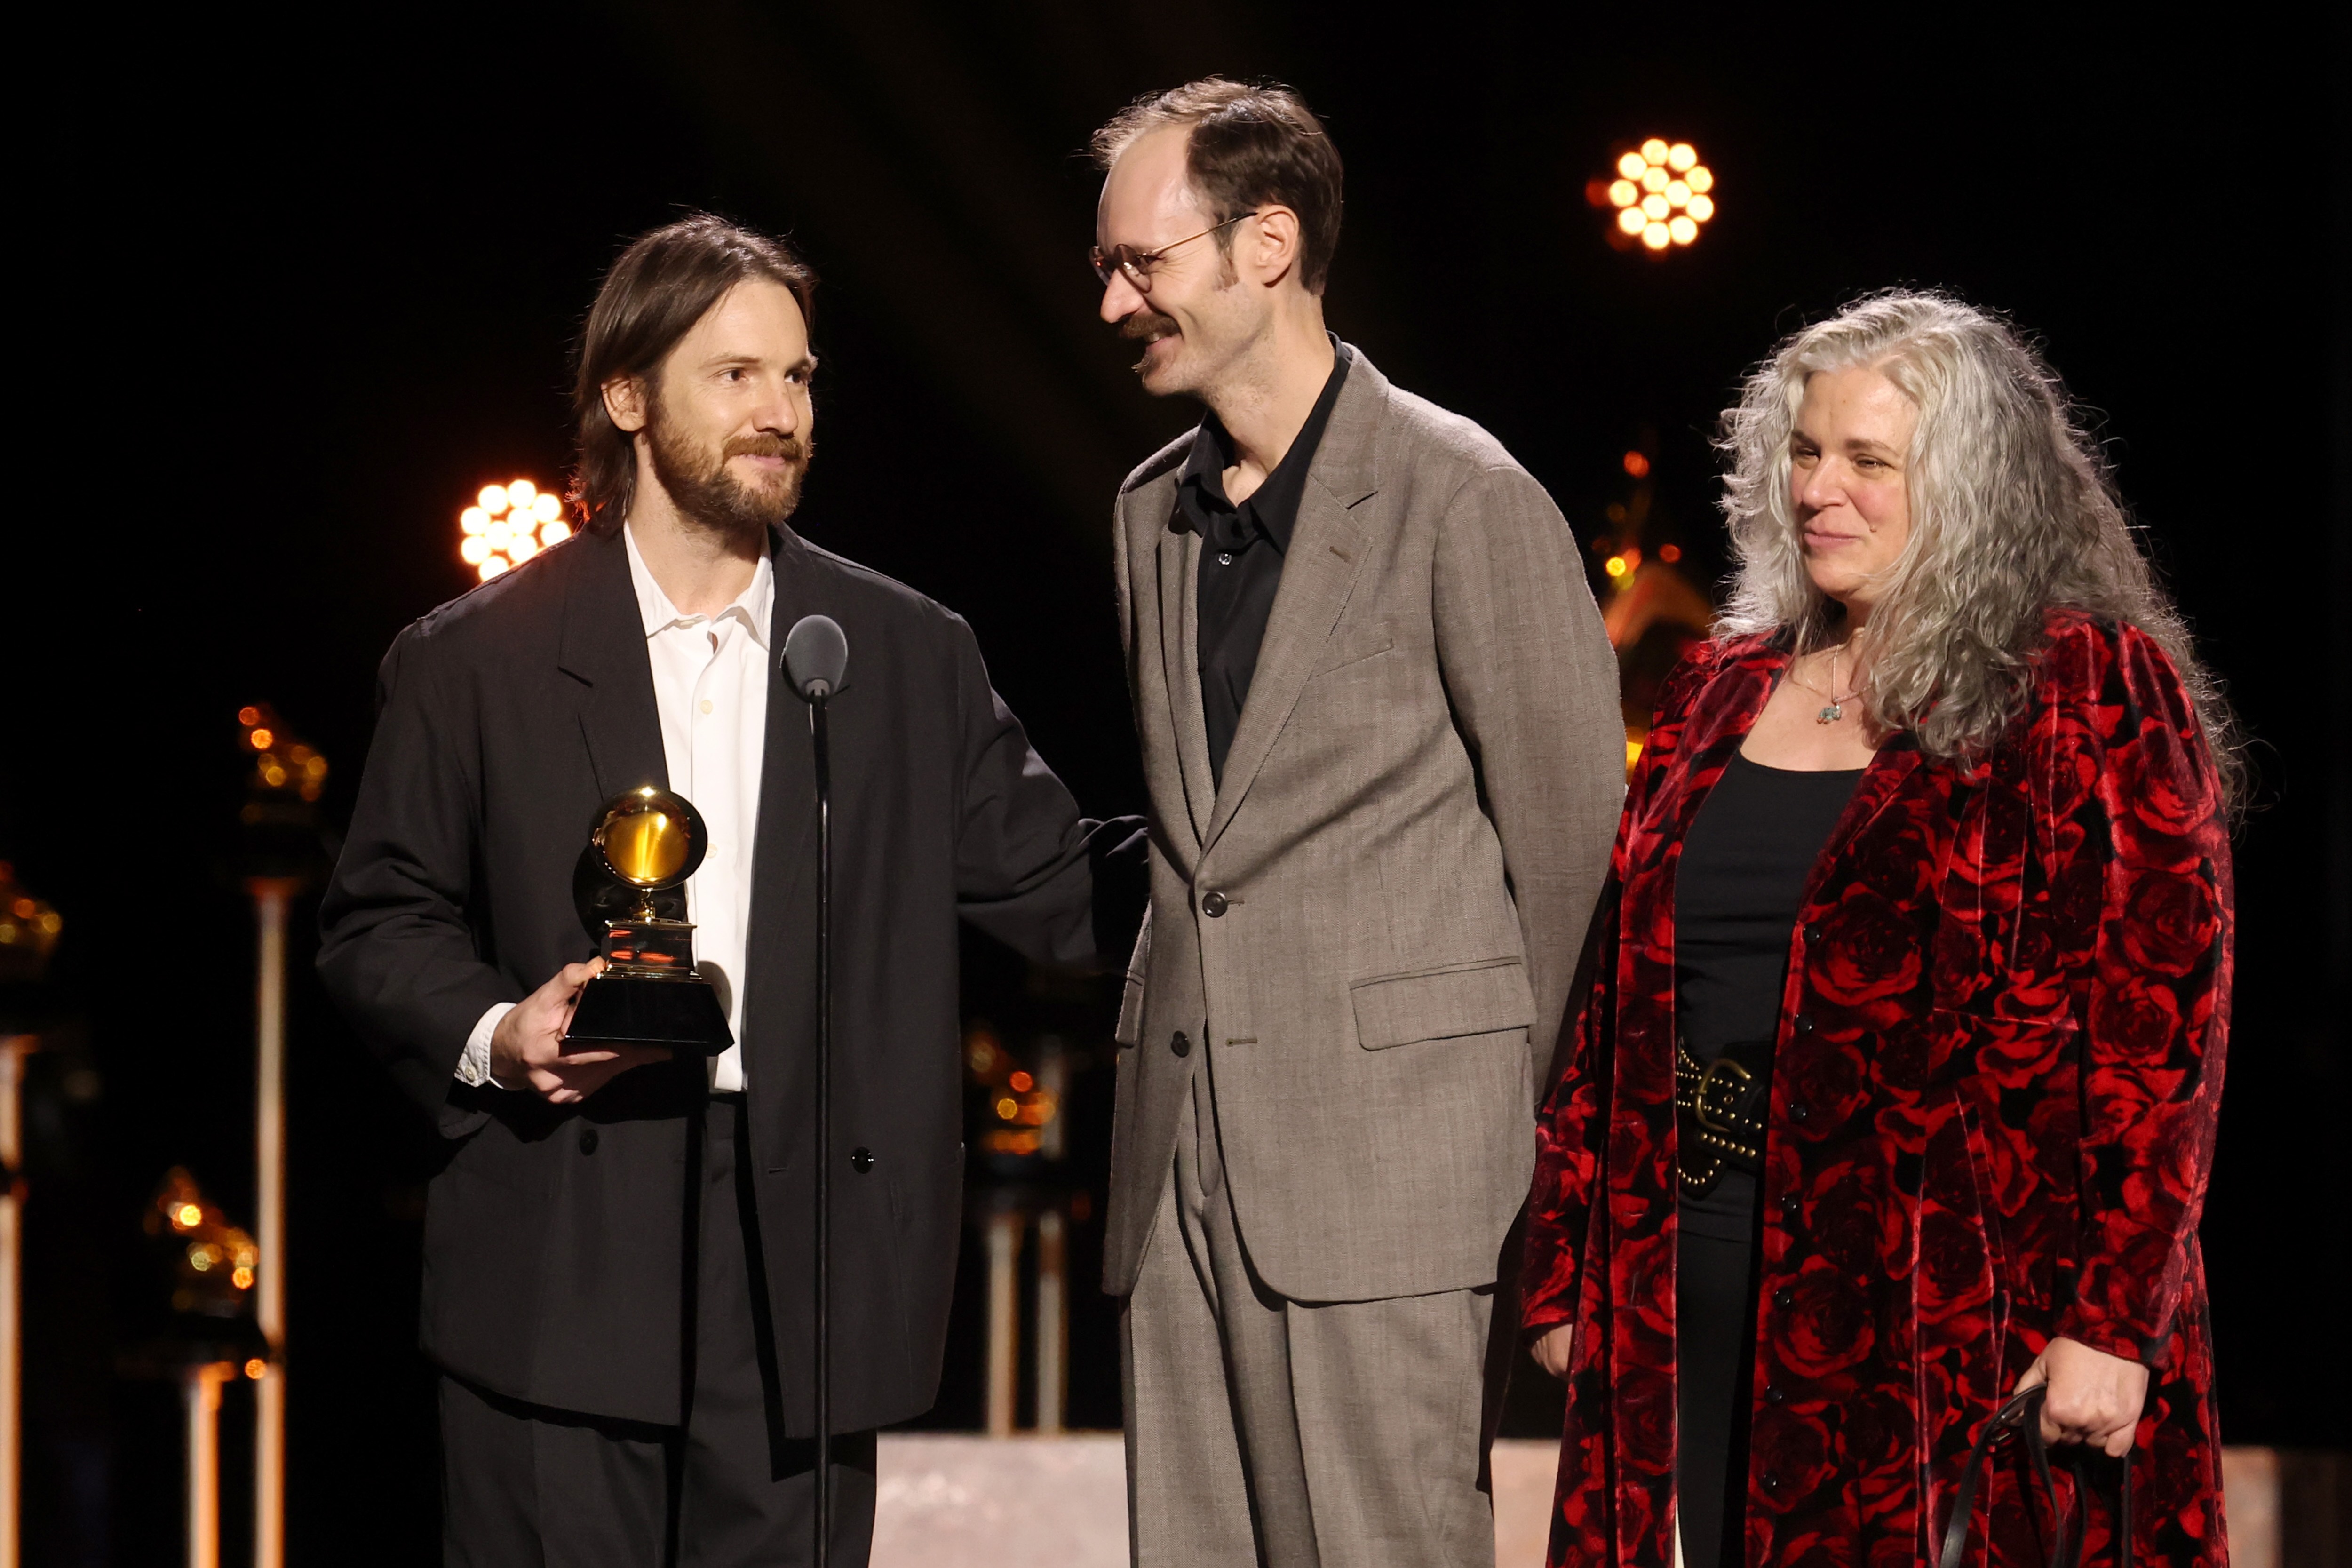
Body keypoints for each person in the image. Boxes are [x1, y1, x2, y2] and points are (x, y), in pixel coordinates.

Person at [318, 215, 1139, 1567]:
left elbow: (1057, 879)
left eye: (800, 378)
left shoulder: (898, 650)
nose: (780, 414)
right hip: (563, 1250)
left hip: (807, 1263)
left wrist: (1266, 872)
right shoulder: (476, 660)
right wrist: (501, 1033)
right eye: (737, 376)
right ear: (628, 397)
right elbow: (379, 920)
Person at [1521, 291, 2238, 1568]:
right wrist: (1570, 1263)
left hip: (1960, 1303)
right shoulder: (1719, 688)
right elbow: (1616, 997)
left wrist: (2117, 1320)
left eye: (1868, 460)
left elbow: (2162, 1030)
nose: (1818, 490)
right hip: (1694, 1262)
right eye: (1803, 451)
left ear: (1971, 485)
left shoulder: (2083, 683)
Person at [1090, 79, 1624, 1567]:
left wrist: (1501, 1147)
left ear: (1269, 245)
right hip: (1182, 1171)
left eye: (1145, 263)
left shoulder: (1463, 495)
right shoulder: (1152, 512)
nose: (1116, 300)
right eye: (1105, 268)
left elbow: (1579, 858)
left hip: (1396, 1179)